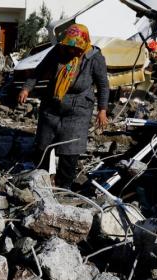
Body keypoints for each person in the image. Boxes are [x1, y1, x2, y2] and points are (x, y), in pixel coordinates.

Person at [18, 24, 109, 189]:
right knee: (43, 144)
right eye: (70, 48)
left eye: (77, 49)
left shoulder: (94, 57)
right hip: (52, 104)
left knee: (70, 149)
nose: (73, 51)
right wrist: (26, 88)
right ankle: (41, 179)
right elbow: (39, 70)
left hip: (78, 109)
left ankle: (63, 185)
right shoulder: (58, 51)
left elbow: (103, 85)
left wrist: (102, 111)